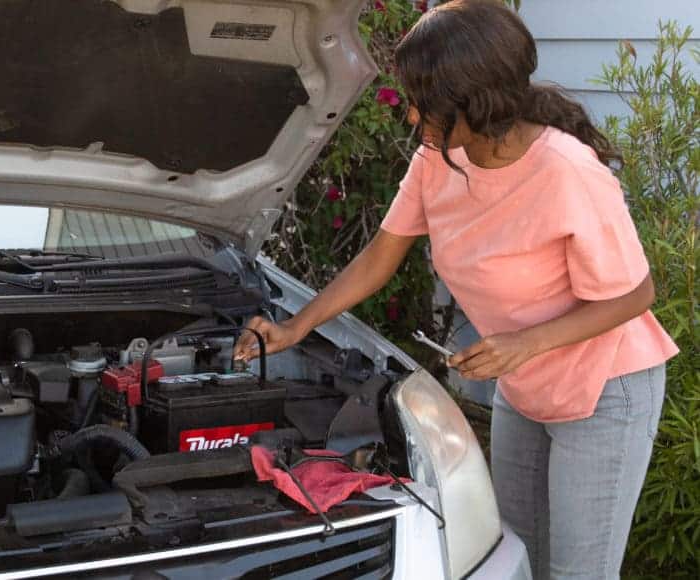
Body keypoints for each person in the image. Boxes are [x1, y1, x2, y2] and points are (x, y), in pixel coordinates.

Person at [232, 1, 679, 578]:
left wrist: (524, 343)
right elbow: (379, 256)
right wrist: (297, 326)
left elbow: (634, 295)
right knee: (516, 557)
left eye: (424, 103)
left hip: (606, 388)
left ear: (476, 101)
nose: (413, 117)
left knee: (577, 573)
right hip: (526, 386)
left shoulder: (568, 172)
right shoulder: (438, 160)